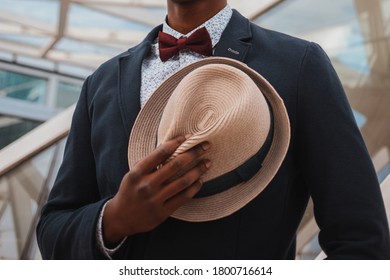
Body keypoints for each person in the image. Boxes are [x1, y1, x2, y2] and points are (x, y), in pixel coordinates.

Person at [36, 0, 390, 259]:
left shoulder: (299, 66)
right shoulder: (100, 83)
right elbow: (53, 228)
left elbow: (361, 240)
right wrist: (113, 219)